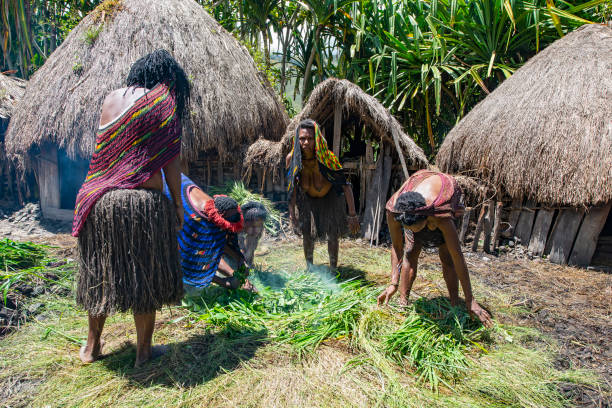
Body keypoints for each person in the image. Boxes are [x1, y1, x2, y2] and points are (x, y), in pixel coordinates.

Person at [72, 49, 190, 367]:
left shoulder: (111, 98)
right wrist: (178, 205)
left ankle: (92, 348)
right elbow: (170, 162)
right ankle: (143, 352)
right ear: (168, 80)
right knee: (145, 277)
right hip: (140, 206)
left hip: (98, 202)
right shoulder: (163, 101)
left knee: (100, 273)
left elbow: (105, 156)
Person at [377, 169, 493, 327]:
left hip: (444, 204)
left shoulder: (441, 214)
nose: (411, 231)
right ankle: (403, 302)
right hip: (420, 206)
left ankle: (455, 304)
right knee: (410, 252)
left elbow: (458, 257)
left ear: (426, 219)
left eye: (416, 227)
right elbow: (397, 247)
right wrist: (393, 283)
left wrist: (470, 300)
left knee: (447, 257)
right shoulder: (393, 210)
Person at [286, 119, 359, 270]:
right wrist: (292, 214)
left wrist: (352, 214)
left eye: (310, 138)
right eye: (302, 138)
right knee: (307, 235)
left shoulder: (328, 158)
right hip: (307, 201)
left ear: (317, 139)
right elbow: (291, 188)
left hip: (330, 199)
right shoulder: (293, 159)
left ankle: (333, 269)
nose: (305, 142)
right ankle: (310, 268)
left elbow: (345, 186)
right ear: (296, 139)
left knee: (332, 235)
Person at [166, 173, 255, 294]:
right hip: (161, 183)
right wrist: (226, 282)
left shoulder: (214, 207)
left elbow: (217, 244)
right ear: (220, 223)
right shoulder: (198, 224)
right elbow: (197, 258)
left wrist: (238, 263)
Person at [239, 201, 269, 266]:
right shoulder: (236, 229)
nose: (256, 230)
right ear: (244, 223)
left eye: (259, 226)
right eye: (253, 226)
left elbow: (251, 250)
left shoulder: (258, 231)